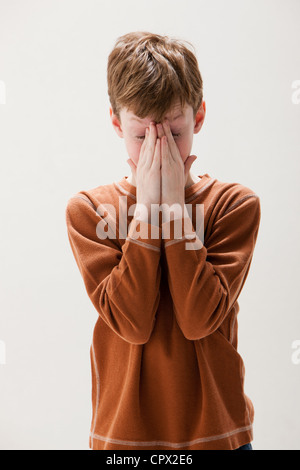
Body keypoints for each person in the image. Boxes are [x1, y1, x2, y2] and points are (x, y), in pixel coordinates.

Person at [65, 31, 261, 450]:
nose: (159, 148)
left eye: (174, 133)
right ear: (117, 123)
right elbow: (132, 323)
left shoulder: (233, 205)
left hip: (218, 436)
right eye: (142, 136)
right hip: (124, 439)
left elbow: (198, 320)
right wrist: (148, 211)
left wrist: (174, 210)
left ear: (200, 117)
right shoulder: (89, 211)